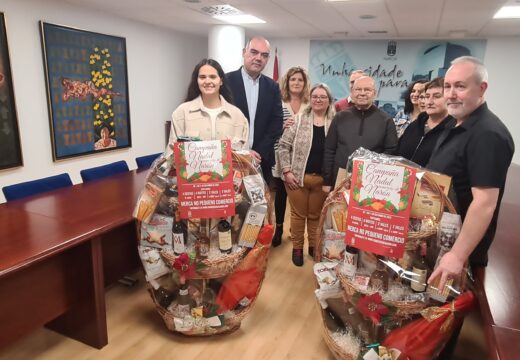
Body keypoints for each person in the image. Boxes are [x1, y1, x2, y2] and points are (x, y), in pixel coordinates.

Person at [426, 56, 514, 358]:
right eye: (448, 86)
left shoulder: (487, 134)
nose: (451, 93)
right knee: (429, 321)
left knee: (441, 329)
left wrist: (456, 256)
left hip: (456, 253)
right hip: (439, 241)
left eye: (460, 86)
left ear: (482, 88)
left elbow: (484, 204)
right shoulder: (457, 123)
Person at [278, 84, 335, 266]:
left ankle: (313, 246)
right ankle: (297, 248)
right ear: (310, 99)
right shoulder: (298, 119)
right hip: (296, 178)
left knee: (315, 215)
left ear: (329, 100)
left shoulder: (335, 123)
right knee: (297, 215)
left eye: (322, 97)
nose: (318, 99)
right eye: (315, 96)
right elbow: (283, 146)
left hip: (322, 181)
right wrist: (286, 171)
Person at [322, 76, 398, 192]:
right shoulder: (340, 117)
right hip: (340, 178)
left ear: (375, 93)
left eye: (367, 90)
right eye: (358, 89)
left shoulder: (386, 120)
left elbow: (390, 153)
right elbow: (329, 150)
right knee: (339, 210)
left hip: (371, 181)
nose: (362, 93)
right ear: (352, 93)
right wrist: (327, 181)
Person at [226, 36, 284, 183]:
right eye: (254, 52)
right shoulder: (225, 83)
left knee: (260, 205)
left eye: (264, 55)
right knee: (235, 204)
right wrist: (243, 152)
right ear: (244, 52)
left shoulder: (272, 87)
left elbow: (276, 123)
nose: (259, 58)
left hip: (261, 159)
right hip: (230, 158)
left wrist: (258, 152)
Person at [168, 58, 248, 148]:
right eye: (202, 77)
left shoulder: (238, 116)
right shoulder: (181, 113)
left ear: (221, 81)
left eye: (213, 77)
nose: (207, 81)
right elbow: (172, 153)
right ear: (197, 81)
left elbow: (244, 156)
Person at [271, 66, 311, 247]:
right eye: (293, 79)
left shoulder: (309, 105)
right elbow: (269, 128)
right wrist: (280, 127)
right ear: (287, 82)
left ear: (304, 84)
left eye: (300, 80)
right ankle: (278, 227)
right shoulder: (278, 102)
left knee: (298, 193)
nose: (296, 83)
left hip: (302, 156)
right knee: (280, 193)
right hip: (281, 153)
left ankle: (296, 231)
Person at [397, 77, 454, 167]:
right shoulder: (414, 125)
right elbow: (397, 154)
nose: (429, 102)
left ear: (449, 99)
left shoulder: (454, 131)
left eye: (436, 96)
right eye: (427, 96)